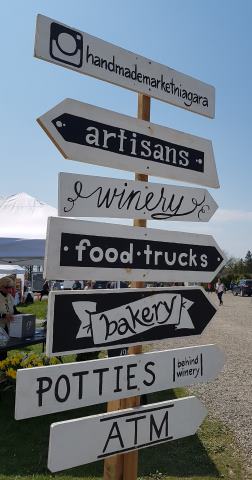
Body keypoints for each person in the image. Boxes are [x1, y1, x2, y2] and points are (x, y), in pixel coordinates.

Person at [0, 277, 20, 360]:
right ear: (1, 287)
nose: (9, 290)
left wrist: (25, 315)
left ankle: (3, 368)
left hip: (7, 328)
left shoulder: (10, 297)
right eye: (7, 287)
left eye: (10, 287)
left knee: (4, 351)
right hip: (0, 328)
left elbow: (14, 311)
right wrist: (4, 315)